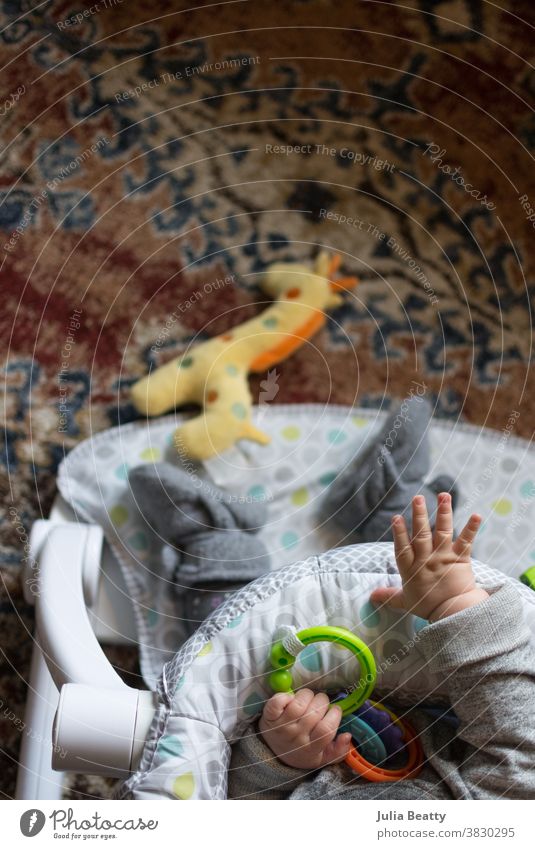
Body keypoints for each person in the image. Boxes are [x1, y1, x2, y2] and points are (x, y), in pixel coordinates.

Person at [228, 493, 535, 799]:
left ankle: (220, 536)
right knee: (419, 564)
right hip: (442, 713)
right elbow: (517, 751)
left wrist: (280, 757)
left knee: (225, 580)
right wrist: (454, 603)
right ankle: (388, 509)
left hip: (315, 744)